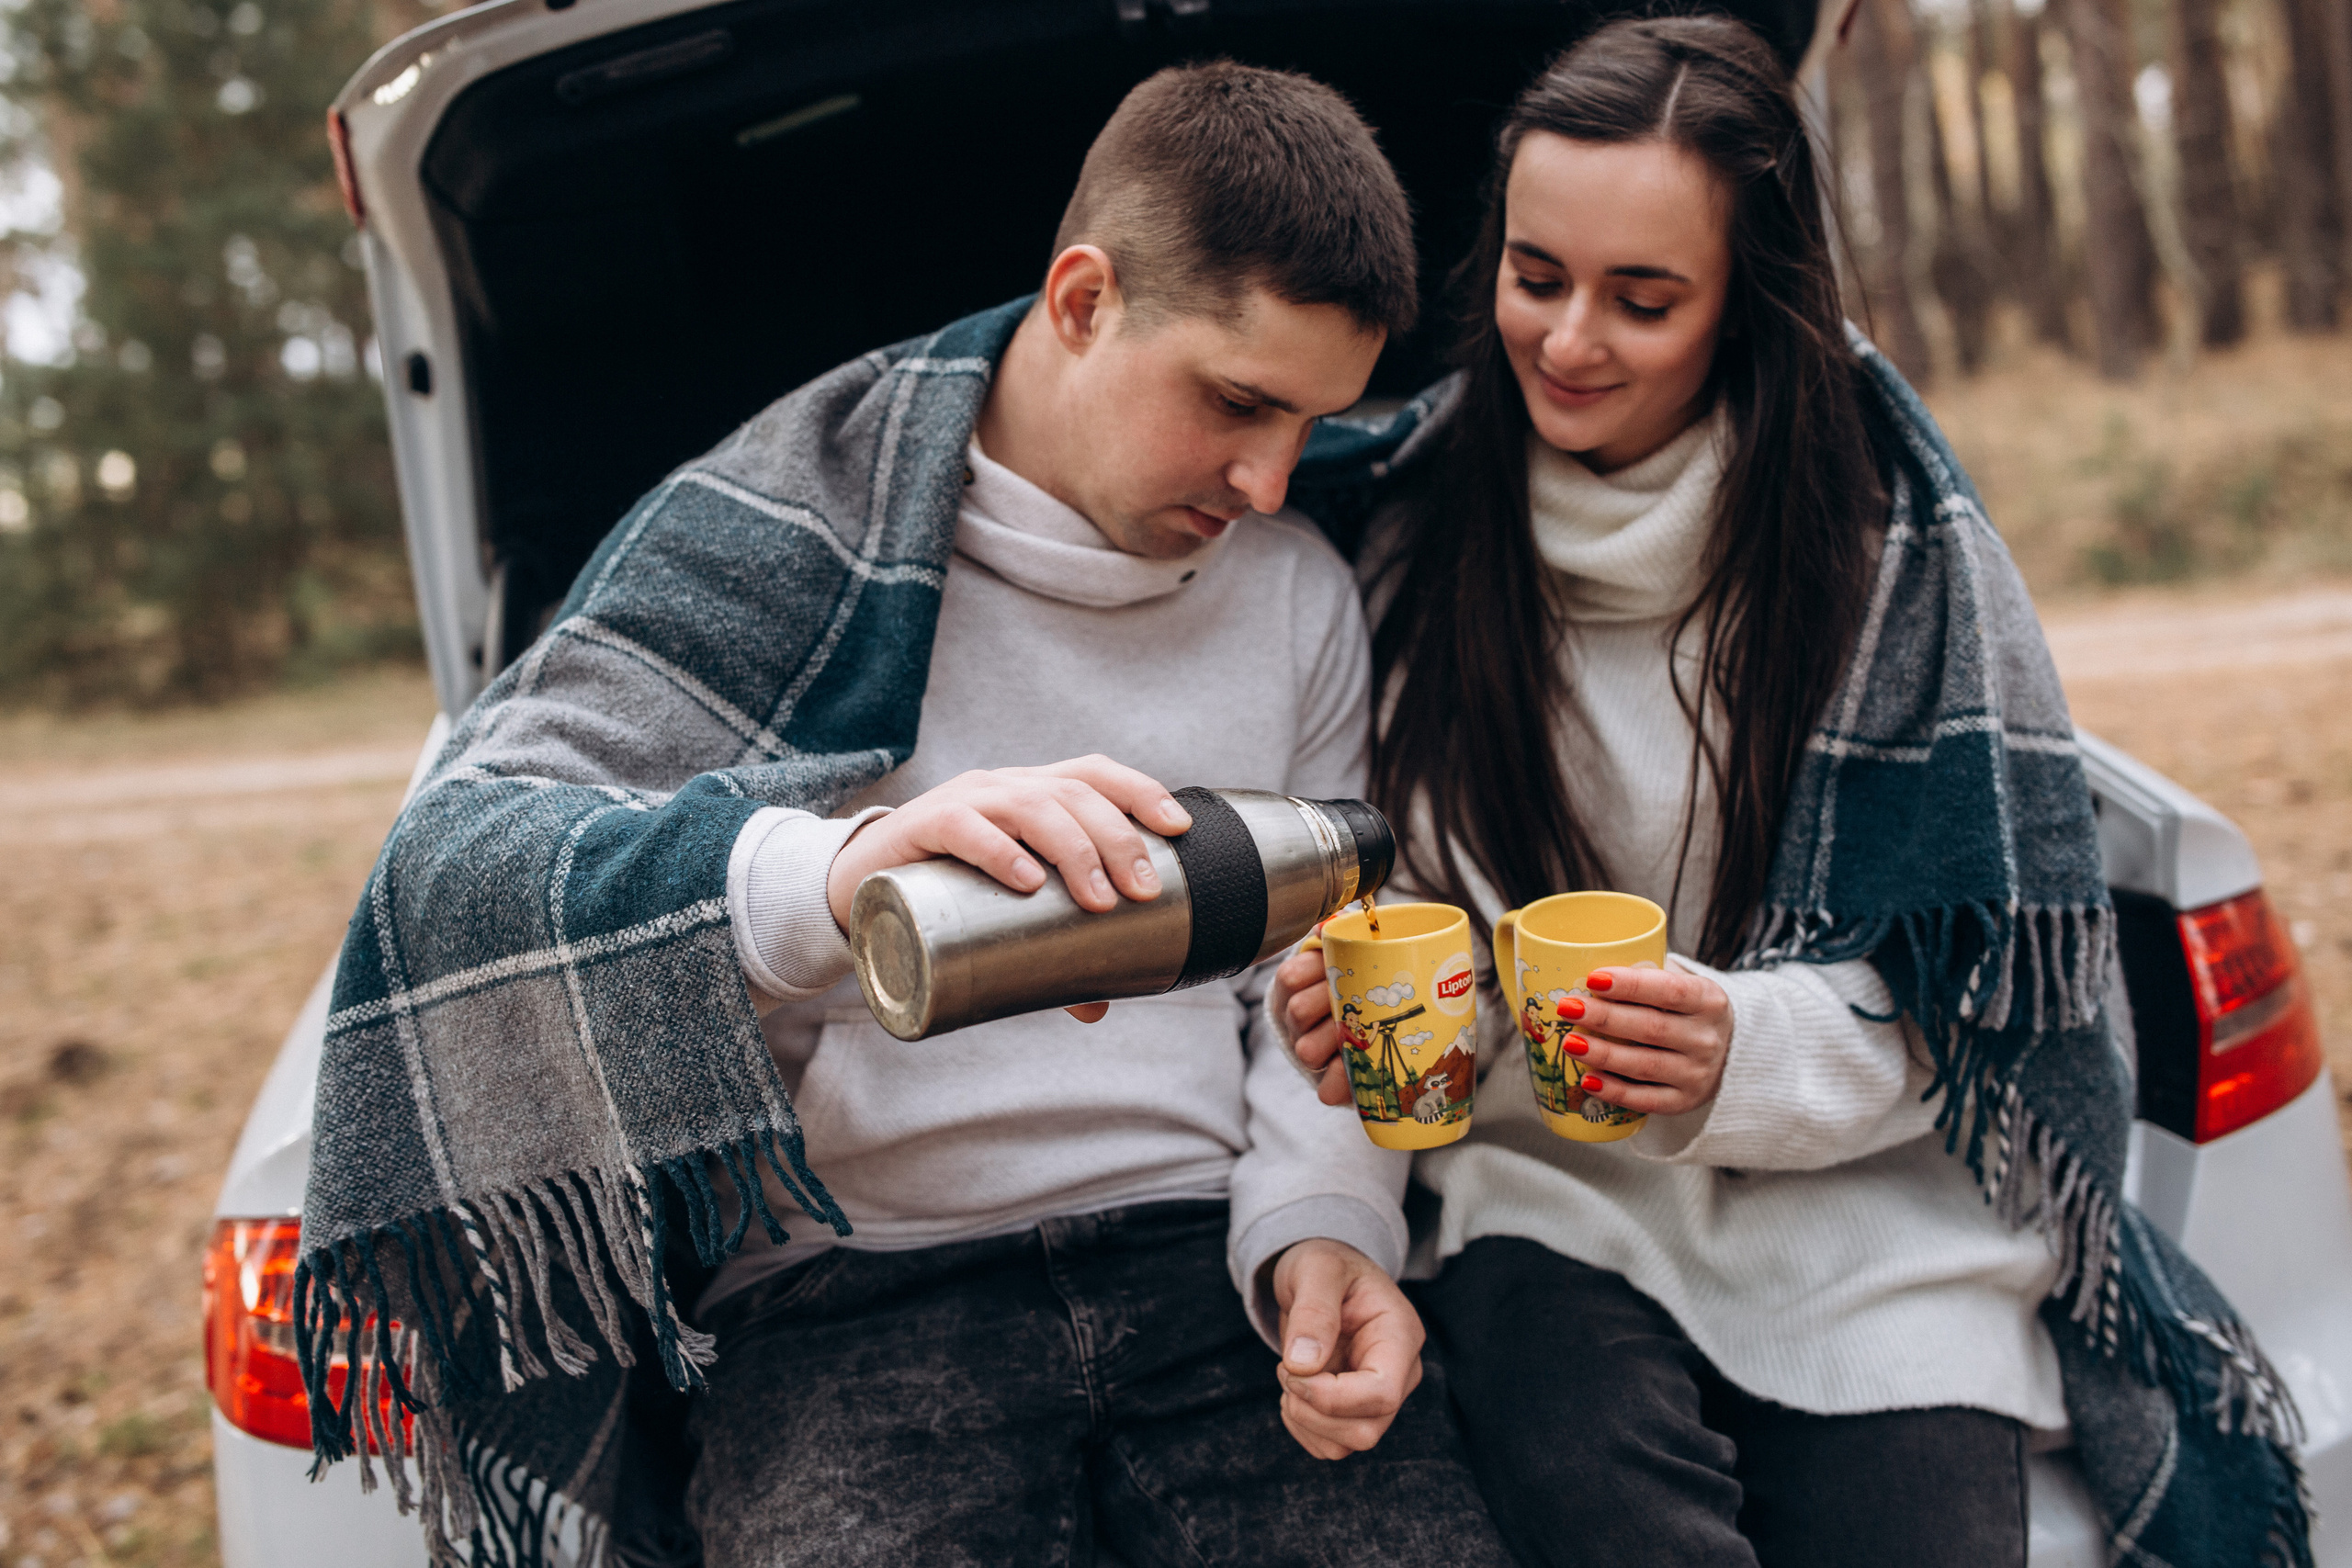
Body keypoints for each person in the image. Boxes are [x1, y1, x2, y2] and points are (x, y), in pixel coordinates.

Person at [300, 62, 1513, 1568]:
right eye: (1237, 403)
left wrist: (1325, 1233)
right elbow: (454, 867)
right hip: (847, 1303)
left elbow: (1316, 985)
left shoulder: (1302, 595)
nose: (1272, 483)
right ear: (1083, 300)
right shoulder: (776, 542)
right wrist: (838, 874)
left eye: (1312, 420)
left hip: (1210, 1270)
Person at [1275, 17, 2310, 1568]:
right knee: (1597, 1494)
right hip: (1552, 1192)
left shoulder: (1888, 560)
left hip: (1874, 1208)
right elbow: (1431, 933)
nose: (1568, 341)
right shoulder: (1413, 532)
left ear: (1746, 304)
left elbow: (1963, 1010)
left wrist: (1737, 1052)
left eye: (1643, 300)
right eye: (1537, 277)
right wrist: (1388, 1023)